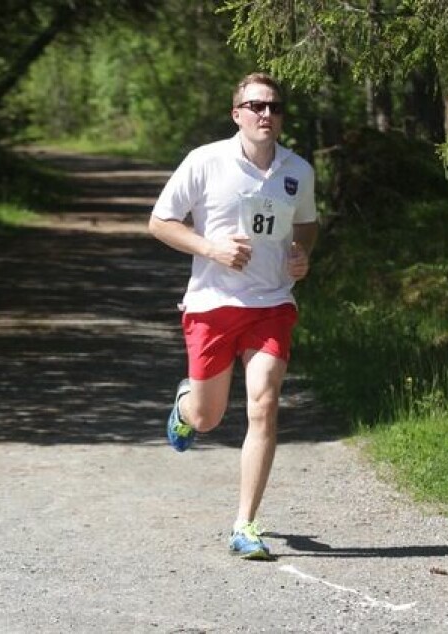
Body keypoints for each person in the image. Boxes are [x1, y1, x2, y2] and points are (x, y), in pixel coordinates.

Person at [148, 72, 318, 560]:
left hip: (271, 303)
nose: (267, 115)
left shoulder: (297, 171)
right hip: (212, 303)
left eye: (276, 108)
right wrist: (210, 248)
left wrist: (302, 253)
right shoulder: (205, 162)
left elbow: (306, 223)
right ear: (237, 114)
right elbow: (159, 222)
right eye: (257, 106)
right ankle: (185, 407)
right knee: (208, 417)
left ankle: (245, 525)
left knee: (264, 403)